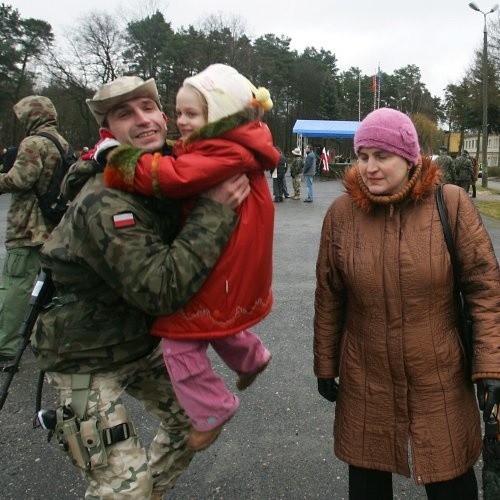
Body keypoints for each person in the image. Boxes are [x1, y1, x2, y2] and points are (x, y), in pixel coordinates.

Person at [31, 75, 251, 499]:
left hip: (138, 341)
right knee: (122, 490)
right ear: (107, 133)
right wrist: (214, 212)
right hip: (85, 356)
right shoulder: (105, 200)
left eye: (148, 108)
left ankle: (146, 491)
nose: (142, 120)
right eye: (124, 114)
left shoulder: (164, 173)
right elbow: (161, 289)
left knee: (197, 418)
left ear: (164, 118)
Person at [314, 107, 500, 499]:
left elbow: (485, 288)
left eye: (382, 156)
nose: (370, 167)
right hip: (366, 377)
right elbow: (329, 295)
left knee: (451, 480)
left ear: (410, 158)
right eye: (363, 156)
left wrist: (490, 363)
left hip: (440, 375)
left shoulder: (450, 205)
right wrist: (325, 364)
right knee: (367, 484)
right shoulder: (342, 215)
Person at [103, 64, 278, 452]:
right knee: (217, 321)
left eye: (192, 114)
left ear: (219, 116)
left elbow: (170, 177)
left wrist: (121, 163)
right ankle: (252, 358)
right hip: (232, 258)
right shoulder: (229, 142)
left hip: (224, 260)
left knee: (179, 340)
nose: (181, 121)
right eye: (178, 112)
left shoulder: (222, 148)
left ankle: (212, 407)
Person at [0, 96, 70, 364]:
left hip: (27, 225)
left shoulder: (33, 142)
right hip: (51, 226)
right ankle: (42, 336)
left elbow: (20, 179)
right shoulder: (61, 142)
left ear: (32, 116)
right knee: (48, 287)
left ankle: (4, 342)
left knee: (16, 283)